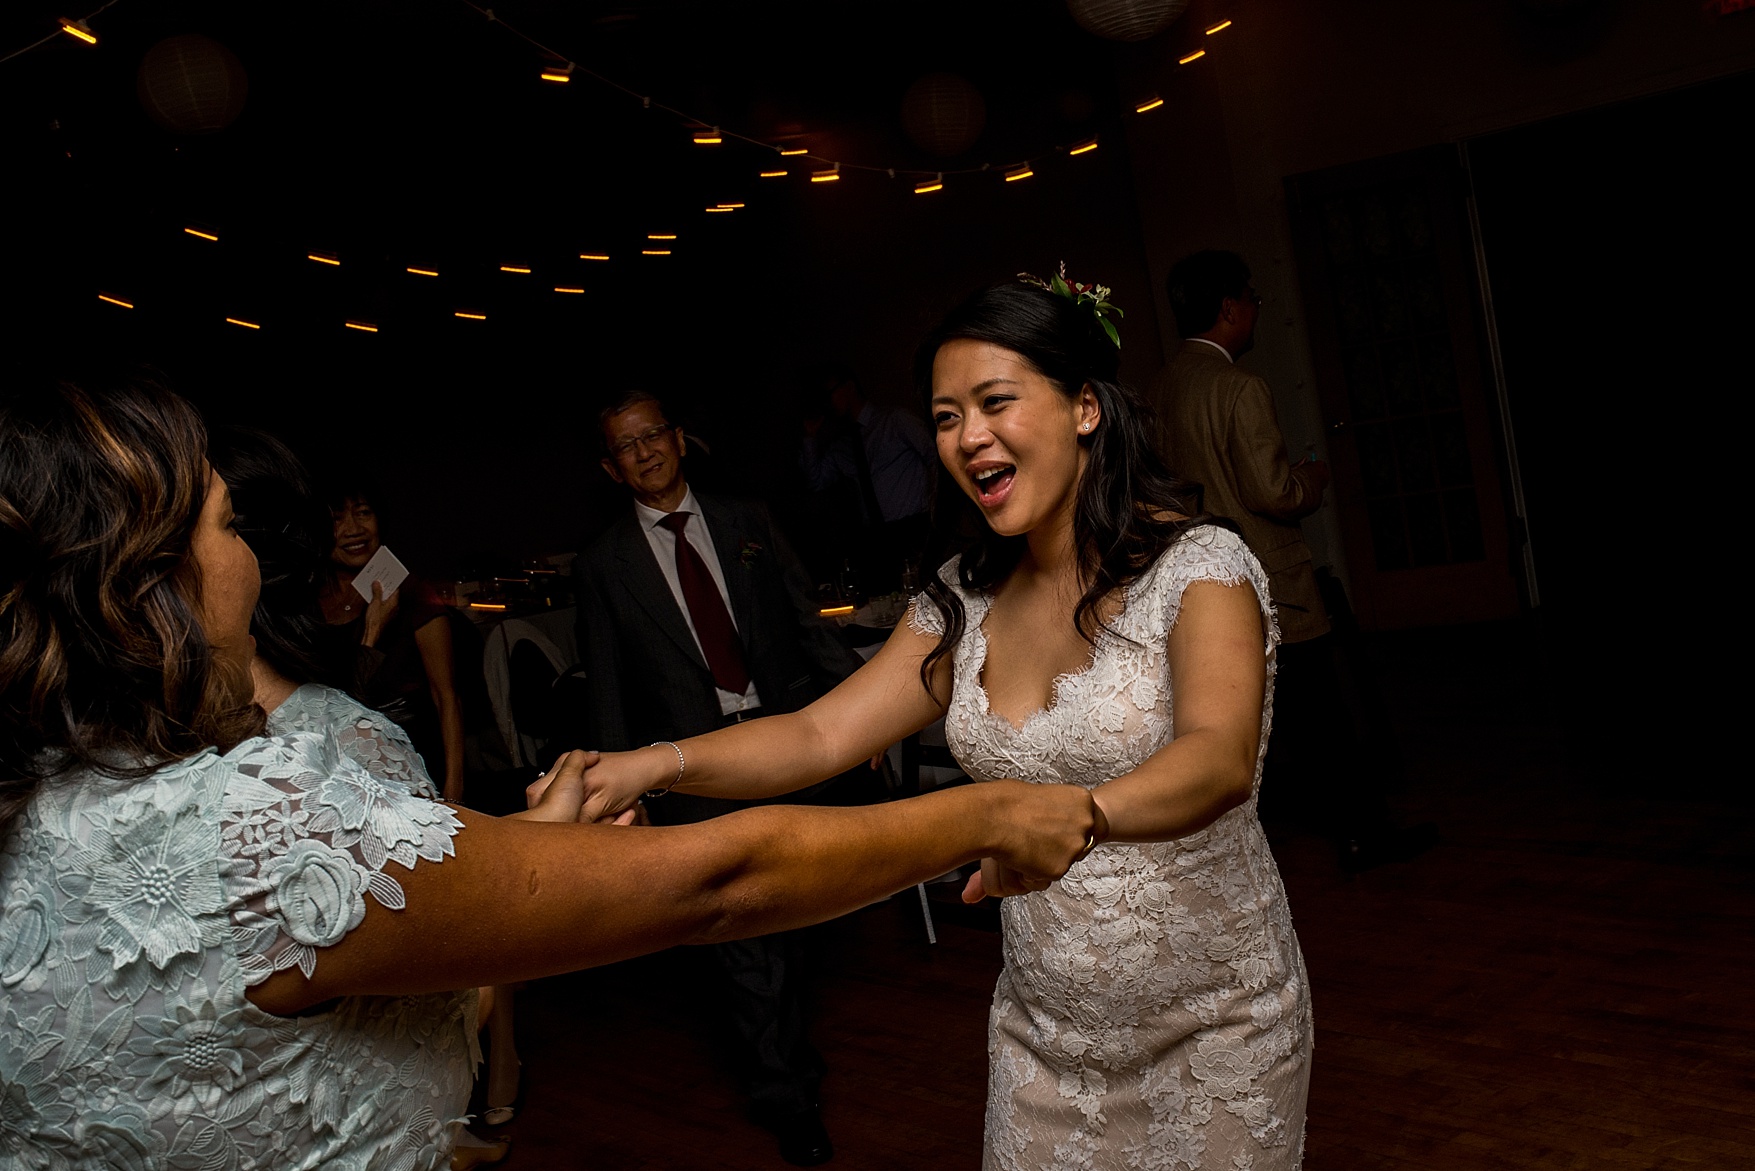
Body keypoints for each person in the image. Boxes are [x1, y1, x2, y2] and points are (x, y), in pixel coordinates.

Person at [0, 375, 1103, 1170]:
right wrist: (990, 812)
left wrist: (542, 839)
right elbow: (719, 882)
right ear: (154, 581)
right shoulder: (263, 829)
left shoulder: (45, 805)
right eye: (226, 520)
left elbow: (410, 945)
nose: (250, 551)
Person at [571, 277, 1313, 1168]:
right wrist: (651, 763)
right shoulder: (962, 597)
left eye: (994, 402)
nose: (968, 437)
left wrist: (1066, 815)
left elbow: (1218, 757)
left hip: (1216, 1028)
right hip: (1043, 1042)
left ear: (1084, 406)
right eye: (946, 416)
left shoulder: (1199, 566)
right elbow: (816, 735)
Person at [574, 390, 871, 1166]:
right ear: (611, 467)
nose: (644, 453)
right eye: (625, 446)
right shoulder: (605, 563)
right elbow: (605, 680)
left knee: (799, 914)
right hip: (690, 764)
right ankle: (786, 1095)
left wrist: (859, 711)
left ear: (679, 438)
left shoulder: (747, 520)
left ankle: (790, 1050)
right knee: (741, 933)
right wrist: (619, 787)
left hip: (784, 741)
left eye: (652, 435)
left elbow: (805, 620)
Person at [209, 425, 514, 1167]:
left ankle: (498, 1099)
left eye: (363, 513)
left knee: (473, 942)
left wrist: (452, 798)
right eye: (339, 515)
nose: (354, 528)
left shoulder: (409, 593)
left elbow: (444, 701)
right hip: (342, 776)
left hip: (401, 761)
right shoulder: (318, 605)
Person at [1151, 249, 1420, 865]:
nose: (1256, 310)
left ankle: (1268, 839)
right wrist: (1314, 478)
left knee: (1245, 719)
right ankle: (1363, 833)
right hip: (1271, 581)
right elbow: (1272, 492)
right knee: (1323, 714)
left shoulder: (1161, 387)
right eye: (1251, 298)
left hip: (1197, 584)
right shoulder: (1240, 388)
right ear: (1228, 308)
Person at [797, 366, 935, 594]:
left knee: (925, 594)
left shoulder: (895, 421)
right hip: (875, 538)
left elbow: (935, 455)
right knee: (888, 601)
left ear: (849, 387)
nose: (827, 402)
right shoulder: (841, 445)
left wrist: (935, 505)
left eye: (829, 393)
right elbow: (816, 482)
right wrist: (809, 437)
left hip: (914, 528)